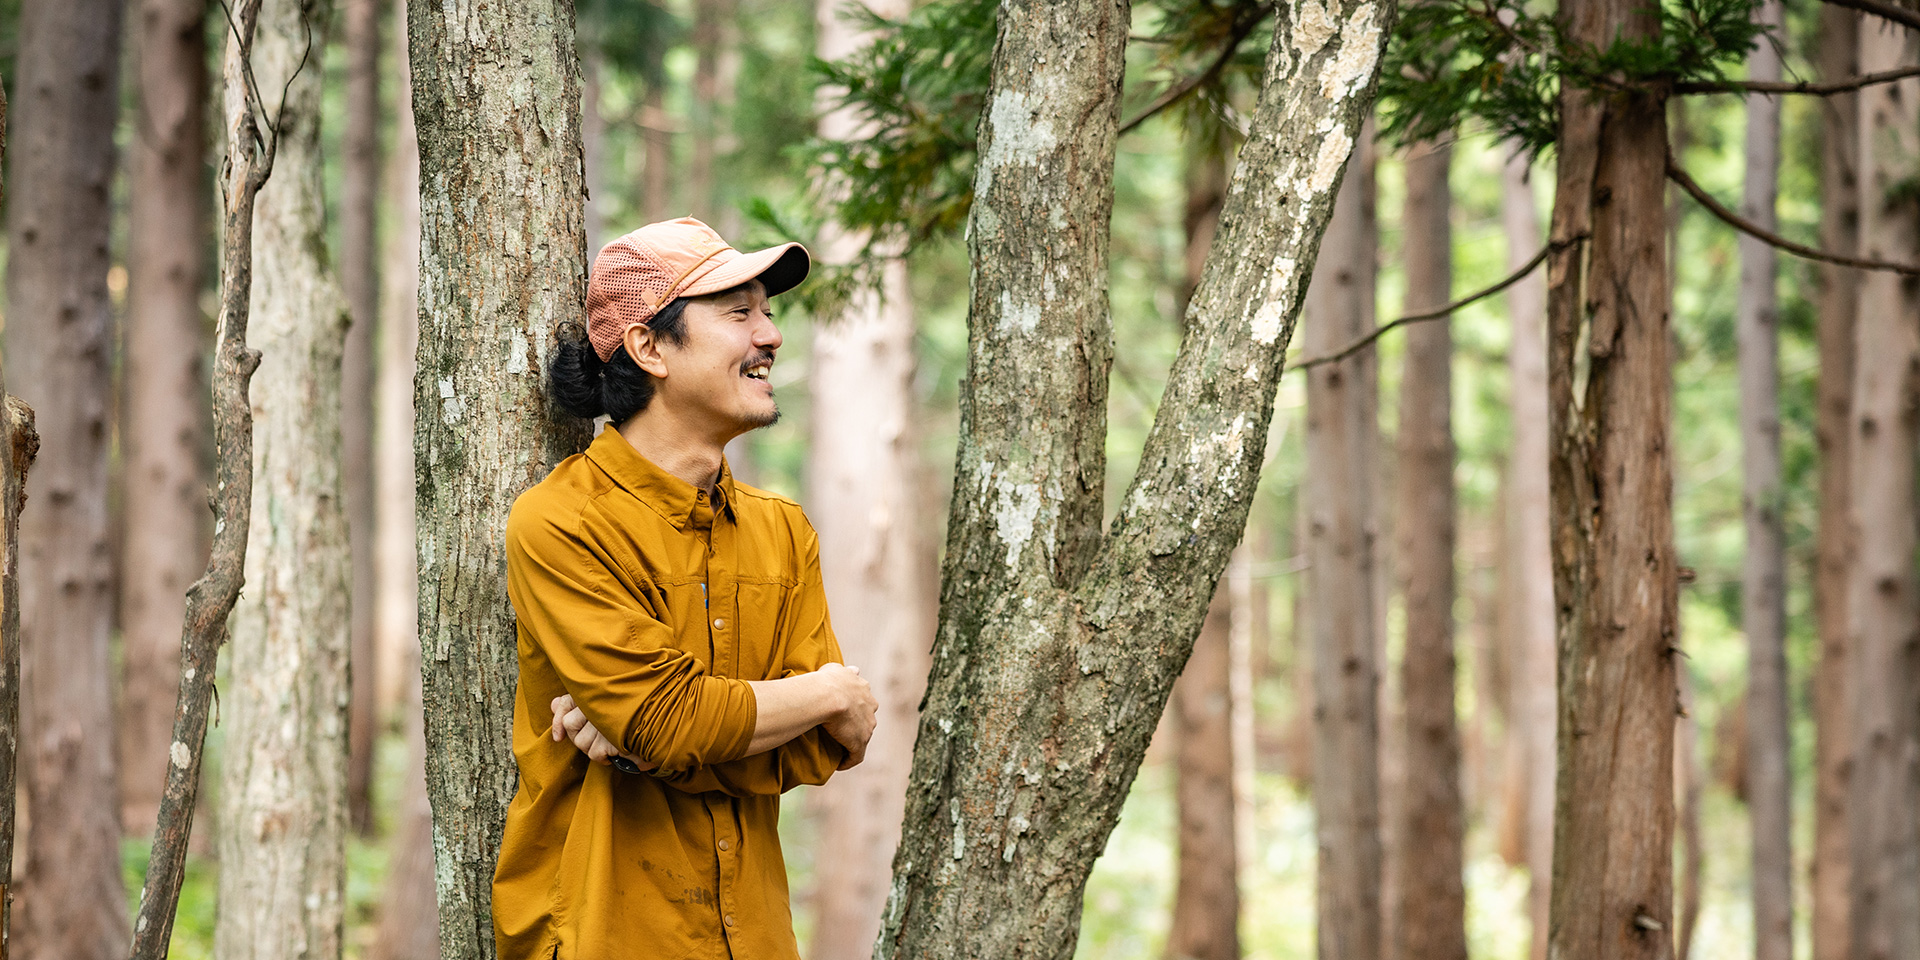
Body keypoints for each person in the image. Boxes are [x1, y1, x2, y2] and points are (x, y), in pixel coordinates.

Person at [493, 217, 880, 960]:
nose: (768, 334)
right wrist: (831, 692)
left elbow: (821, 751)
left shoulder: (781, 530)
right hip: (606, 936)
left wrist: (646, 746)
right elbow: (679, 720)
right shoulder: (561, 521)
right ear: (649, 347)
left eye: (767, 311)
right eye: (739, 312)